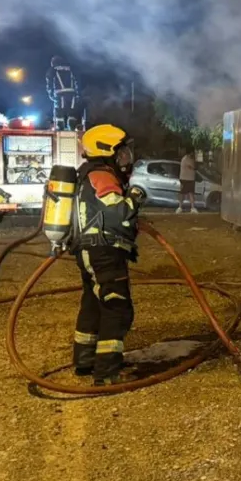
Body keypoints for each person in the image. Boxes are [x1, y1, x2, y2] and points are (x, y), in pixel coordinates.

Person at [71, 123, 146, 386]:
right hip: (104, 251)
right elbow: (118, 214)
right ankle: (107, 372)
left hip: (90, 250)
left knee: (93, 304)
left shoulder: (87, 173)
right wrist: (136, 196)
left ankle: (85, 361)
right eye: (122, 153)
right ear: (107, 151)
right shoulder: (102, 175)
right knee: (117, 308)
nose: (126, 159)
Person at [45, 55, 81, 131]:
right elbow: (78, 81)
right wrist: (78, 94)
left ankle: (60, 128)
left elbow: (49, 82)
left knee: (59, 112)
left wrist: (51, 94)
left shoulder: (53, 70)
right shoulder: (71, 70)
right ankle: (72, 128)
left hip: (59, 94)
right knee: (72, 112)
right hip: (72, 94)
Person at [177, 149, 198, 214]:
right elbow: (193, 167)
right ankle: (180, 207)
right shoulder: (186, 159)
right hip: (185, 179)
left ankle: (192, 208)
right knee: (184, 193)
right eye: (193, 152)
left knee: (190, 193)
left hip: (189, 179)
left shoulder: (189, 158)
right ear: (190, 153)